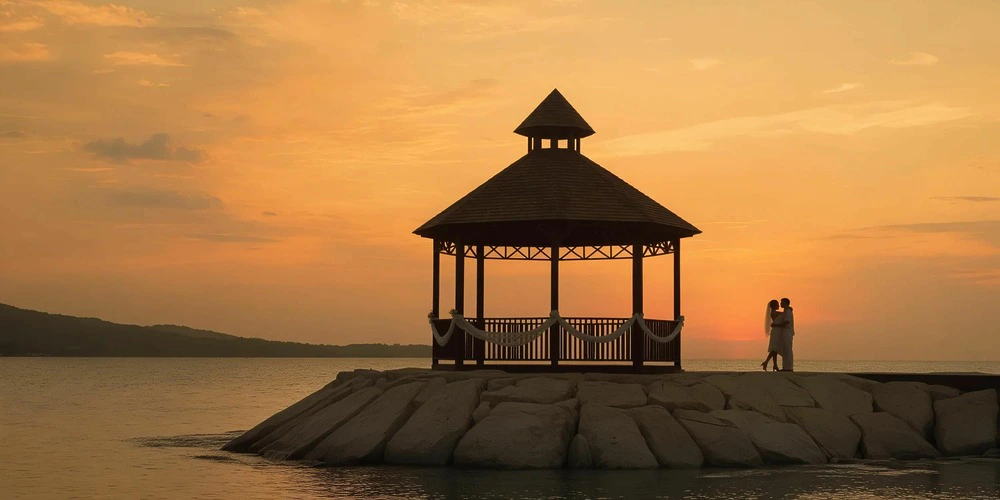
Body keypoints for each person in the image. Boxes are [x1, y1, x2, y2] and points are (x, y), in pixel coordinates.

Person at [760, 299, 784, 371]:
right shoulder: (774, 313)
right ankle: (766, 362)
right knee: (774, 349)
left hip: (776, 332)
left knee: (775, 350)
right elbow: (784, 314)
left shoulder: (774, 313)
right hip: (776, 332)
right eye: (777, 304)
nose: (778, 305)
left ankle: (774, 365)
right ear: (773, 306)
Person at [774, 298, 794, 371]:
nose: (780, 304)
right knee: (785, 349)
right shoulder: (786, 311)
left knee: (787, 349)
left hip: (787, 332)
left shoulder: (788, 312)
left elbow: (786, 322)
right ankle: (785, 367)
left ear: (785, 303)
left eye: (781, 302)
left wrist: (776, 325)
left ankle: (788, 367)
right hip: (785, 332)